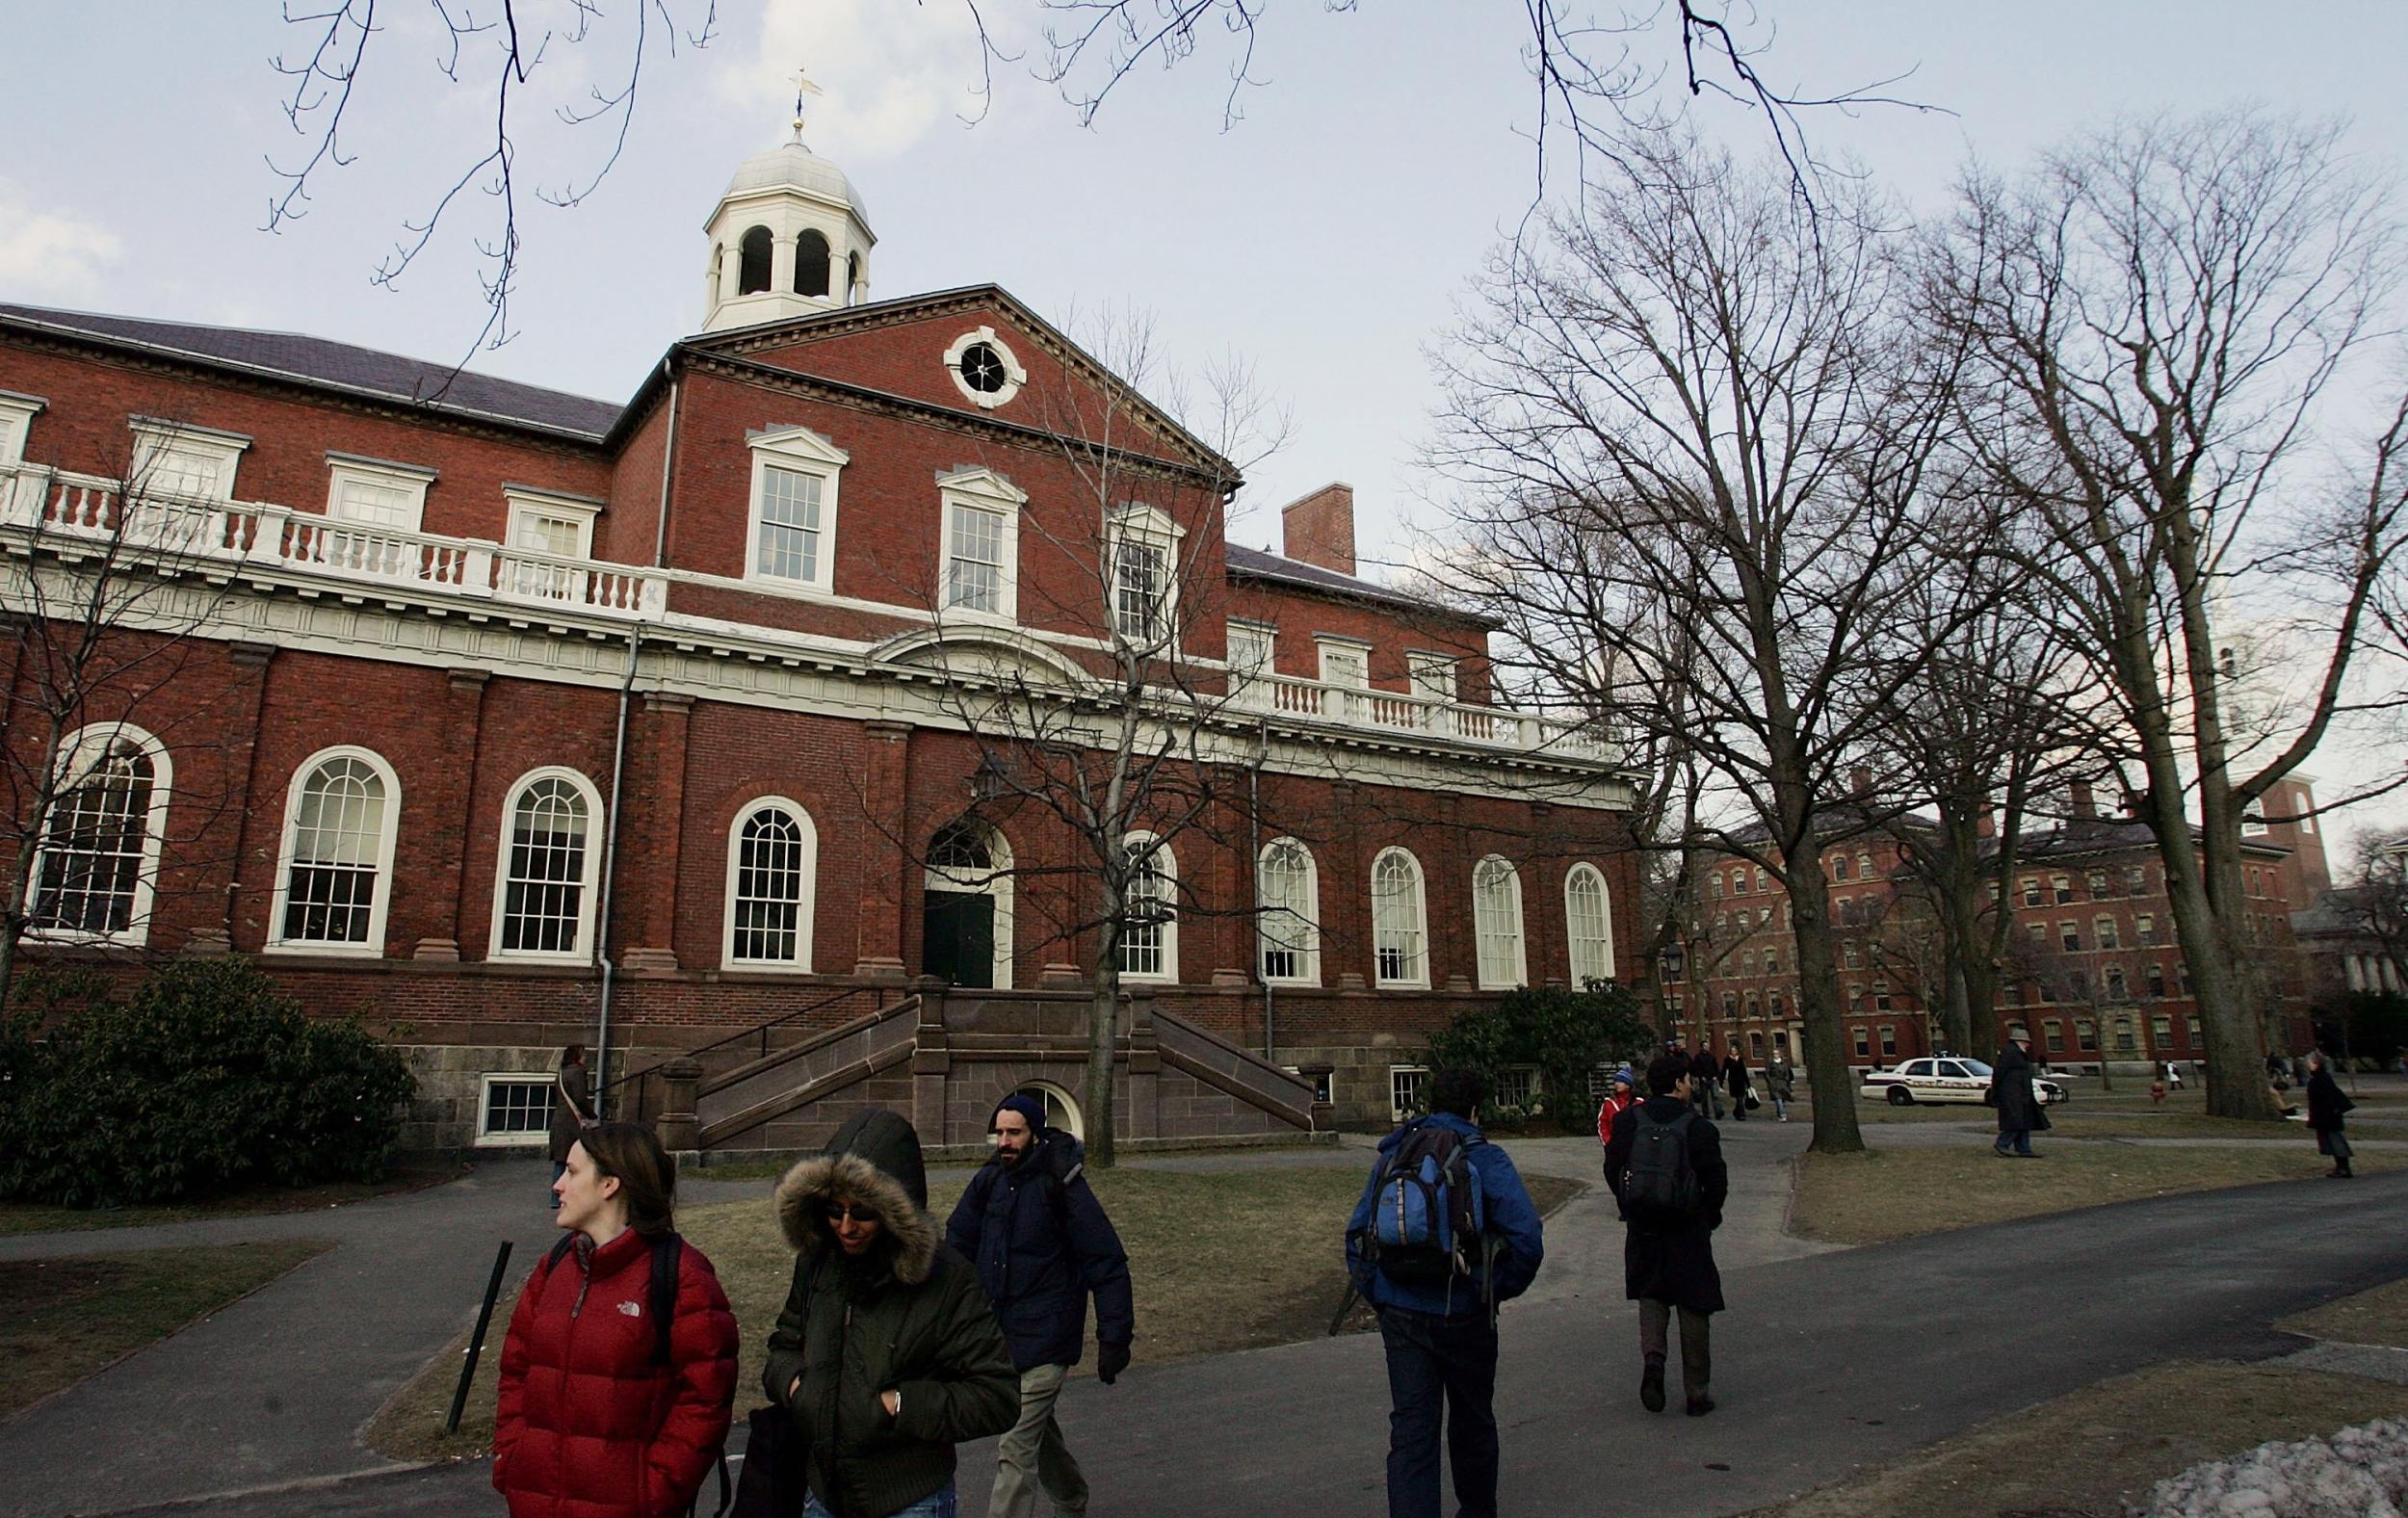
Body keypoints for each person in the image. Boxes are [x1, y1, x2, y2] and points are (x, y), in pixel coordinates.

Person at [763, 1109, 1018, 1518]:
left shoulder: (947, 1281)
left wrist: (897, 1404)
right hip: (824, 1492)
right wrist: (796, 1386)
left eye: (862, 1212)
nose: (846, 1227)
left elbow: (996, 1396)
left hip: (908, 1498)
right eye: (834, 1210)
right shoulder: (817, 1262)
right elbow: (783, 1345)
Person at [494, 1121, 738, 1518]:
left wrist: (654, 1490)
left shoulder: (682, 1276)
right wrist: (512, 1456)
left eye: (572, 1173)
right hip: (535, 1500)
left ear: (610, 1184)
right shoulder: (554, 1267)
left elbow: (706, 1399)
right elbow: (516, 1371)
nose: (558, 1186)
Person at [1345, 1069, 1545, 1518]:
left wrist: (1382, 1295)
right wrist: (1488, 1290)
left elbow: (1358, 1235)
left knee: (1412, 1431)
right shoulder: (1485, 1158)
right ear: (1475, 1109)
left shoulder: (1396, 1153)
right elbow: (1528, 1240)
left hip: (1402, 1311)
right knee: (1472, 1421)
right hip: (1464, 1312)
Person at [944, 1095, 1135, 1518]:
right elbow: (956, 1247)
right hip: (1001, 1337)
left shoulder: (1062, 1185)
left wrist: (1114, 1336)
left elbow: (1105, 1259)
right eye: (1001, 1133)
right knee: (1033, 1430)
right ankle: (1070, 1497)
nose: (1006, 1142)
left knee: (1014, 1445)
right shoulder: (988, 1181)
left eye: (1016, 1133)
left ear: (1035, 1135)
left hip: (1049, 1337)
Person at [1603, 1052, 1730, 1417]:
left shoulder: (1629, 1121)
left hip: (1644, 1225)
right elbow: (1716, 1181)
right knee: (1694, 1305)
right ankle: (1696, 1392)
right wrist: (1709, 1215)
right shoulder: (1699, 1128)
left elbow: (1613, 1167)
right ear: (1678, 1083)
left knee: (1651, 1296)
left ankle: (1654, 1362)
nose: (1691, 1085)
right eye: (1689, 1079)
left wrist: (1629, 1204)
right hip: (1688, 1227)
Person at [1990, 1031, 2051, 1159]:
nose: (2028, 1045)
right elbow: (1999, 1073)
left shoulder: (2017, 1054)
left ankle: (2024, 1148)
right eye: (2026, 1042)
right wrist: (1996, 1091)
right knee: (2016, 1120)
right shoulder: (2010, 1053)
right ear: (2019, 1041)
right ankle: (2002, 1143)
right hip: (2012, 1093)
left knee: (2025, 1120)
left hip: (2021, 1092)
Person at [548, 1043, 595, 1207]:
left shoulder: (562, 1073)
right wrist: (592, 1114)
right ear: (577, 1057)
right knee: (580, 1158)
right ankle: (576, 1194)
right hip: (572, 1123)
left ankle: (556, 1197)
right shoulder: (577, 1073)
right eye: (583, 1055)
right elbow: (580, 1099)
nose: (586, 1058)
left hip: (559, 1120)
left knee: (560, 1161)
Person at [2305, 1050, 2356, 1180]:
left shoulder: (2322, 1079)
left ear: (2316, 1063)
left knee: (2336, 1141)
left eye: (2310, 1062)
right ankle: (2341, 1167)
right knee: (2332, 1142)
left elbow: (2328, 1098)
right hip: (2326, 1115)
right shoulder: (2320, 1078)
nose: (2308, 1065)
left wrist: (2328, 1113)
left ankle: (2343, 1168)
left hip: (2329, 1115)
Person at [1595, 1068, 1638, 1146]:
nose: (1616, 1084)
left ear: (1628, 1085)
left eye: (1620, 1081)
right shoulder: (1608, 1103)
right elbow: (1602, 1124)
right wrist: (1608, 1142)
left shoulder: (1638, 1102)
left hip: (1634, 1147)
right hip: (1614, 1146)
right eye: (1616, 1081)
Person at [1688, 1046, 1725, 1120]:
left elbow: (1716, 1067)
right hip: (1703, 1080)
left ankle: (1718, 1112)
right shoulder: (1698, 1057)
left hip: (1712, 1079)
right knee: (1704, 1098)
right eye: (1705, 1046)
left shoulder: (1711, 1056)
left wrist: (1716, 1076)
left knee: (1715, 1096)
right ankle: (1706, 1113)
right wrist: (1700, 1076)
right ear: (1702, 1047)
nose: (1706, 1047)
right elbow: (1695, 1068)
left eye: (1707, 1046)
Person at [1764, 1052, 1795, 1123]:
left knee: (1782, 1101)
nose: (1776, 1055)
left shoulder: (1784, 1064)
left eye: (1777, 1053)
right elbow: (1767, 1074)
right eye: (1774, 1053)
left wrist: (1787, 1081)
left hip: (1783, 1084)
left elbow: (1788, 1073)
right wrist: (1771, 1082)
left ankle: (1779, 1113)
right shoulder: (1770, 1064)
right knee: (1778, 1100)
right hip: (1774, 1084)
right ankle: (1783, 1115)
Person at [1723, 1052, 1753, 1122]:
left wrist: (1748, 1083)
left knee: (1740, 1098)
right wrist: (1721, 1081)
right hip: (1733, 1082)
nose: (1734, 1052)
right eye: (1732, 1051)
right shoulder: (1728, 1060)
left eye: (1735, 1050)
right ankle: (1739, 1113)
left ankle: (1740, 1114)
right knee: (1738, 1098)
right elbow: (1724, 1070)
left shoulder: (1740, 1059)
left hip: (1741, 1082)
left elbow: (1744, 1071)